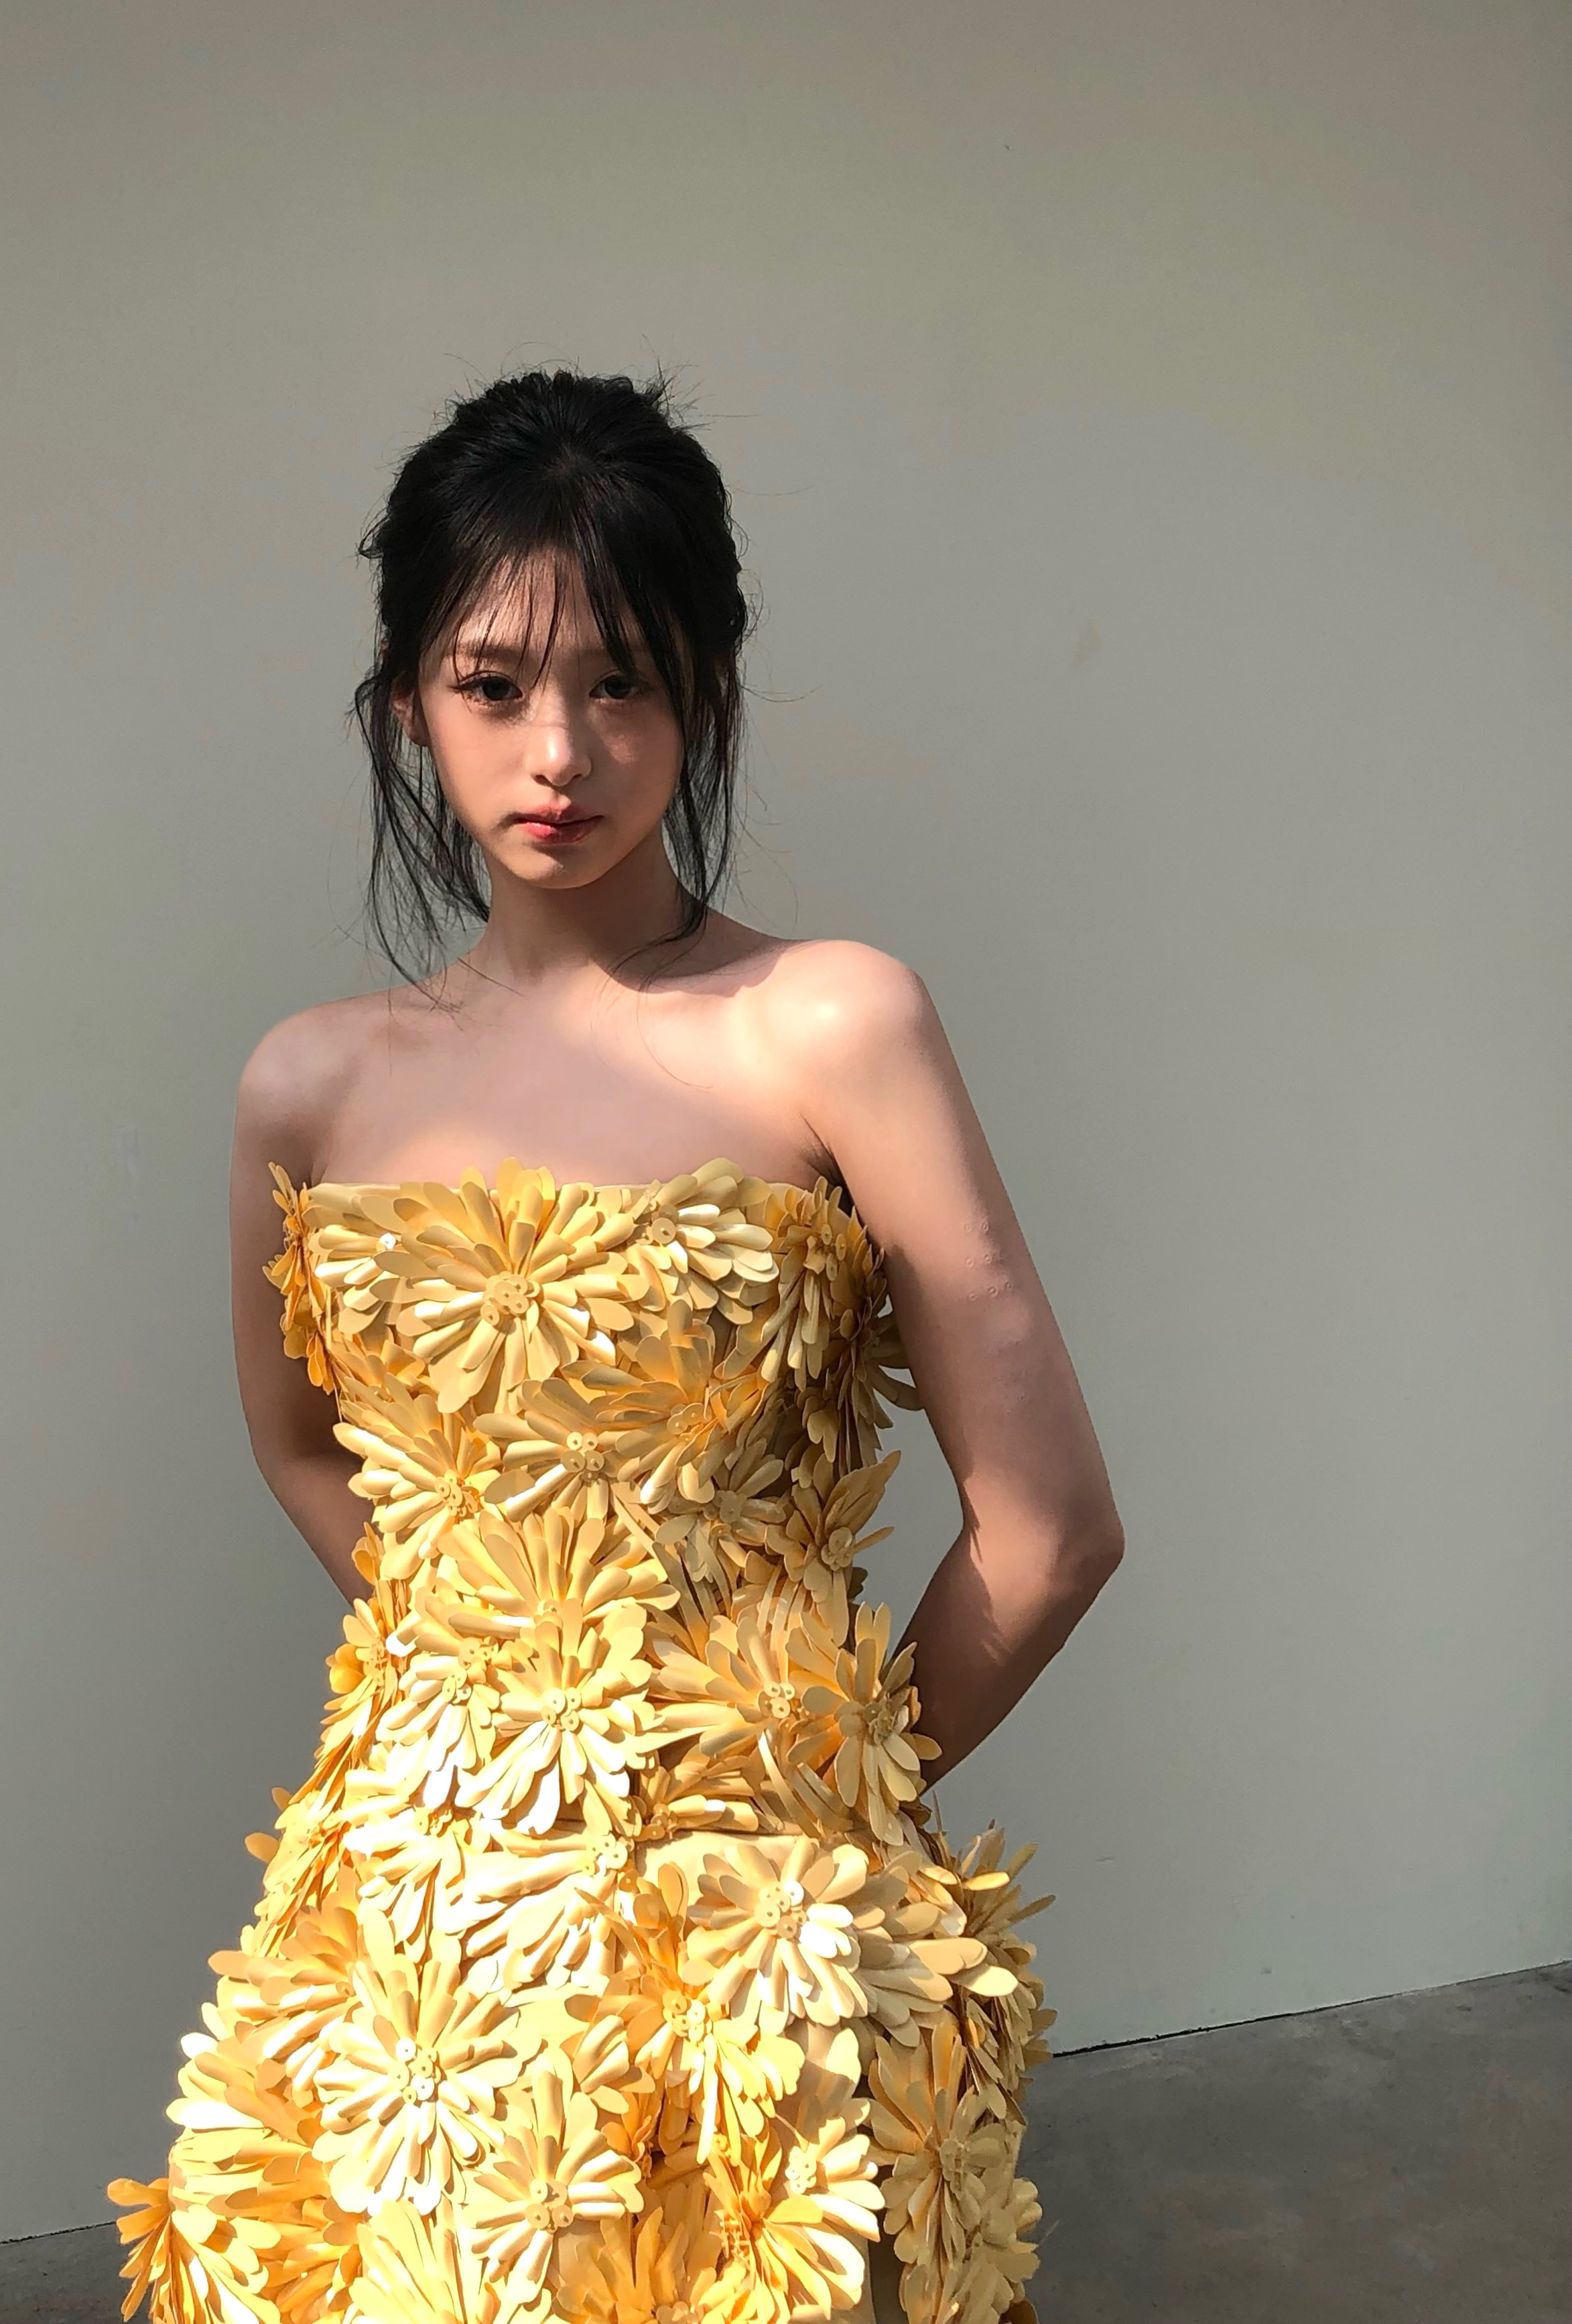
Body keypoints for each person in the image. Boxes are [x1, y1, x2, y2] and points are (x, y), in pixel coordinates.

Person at [110, 369, 1124, 2324]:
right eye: (492, 685)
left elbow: (1054, 1525)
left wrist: (815, 1789)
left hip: (756, 1934)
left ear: (708, 698)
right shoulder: (309, 1084)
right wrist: (496, 1698)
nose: (559, 749)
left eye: (625, 682)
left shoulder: (830, 1024)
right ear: (405, 704)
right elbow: (303, 1445)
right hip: (419, 1924)